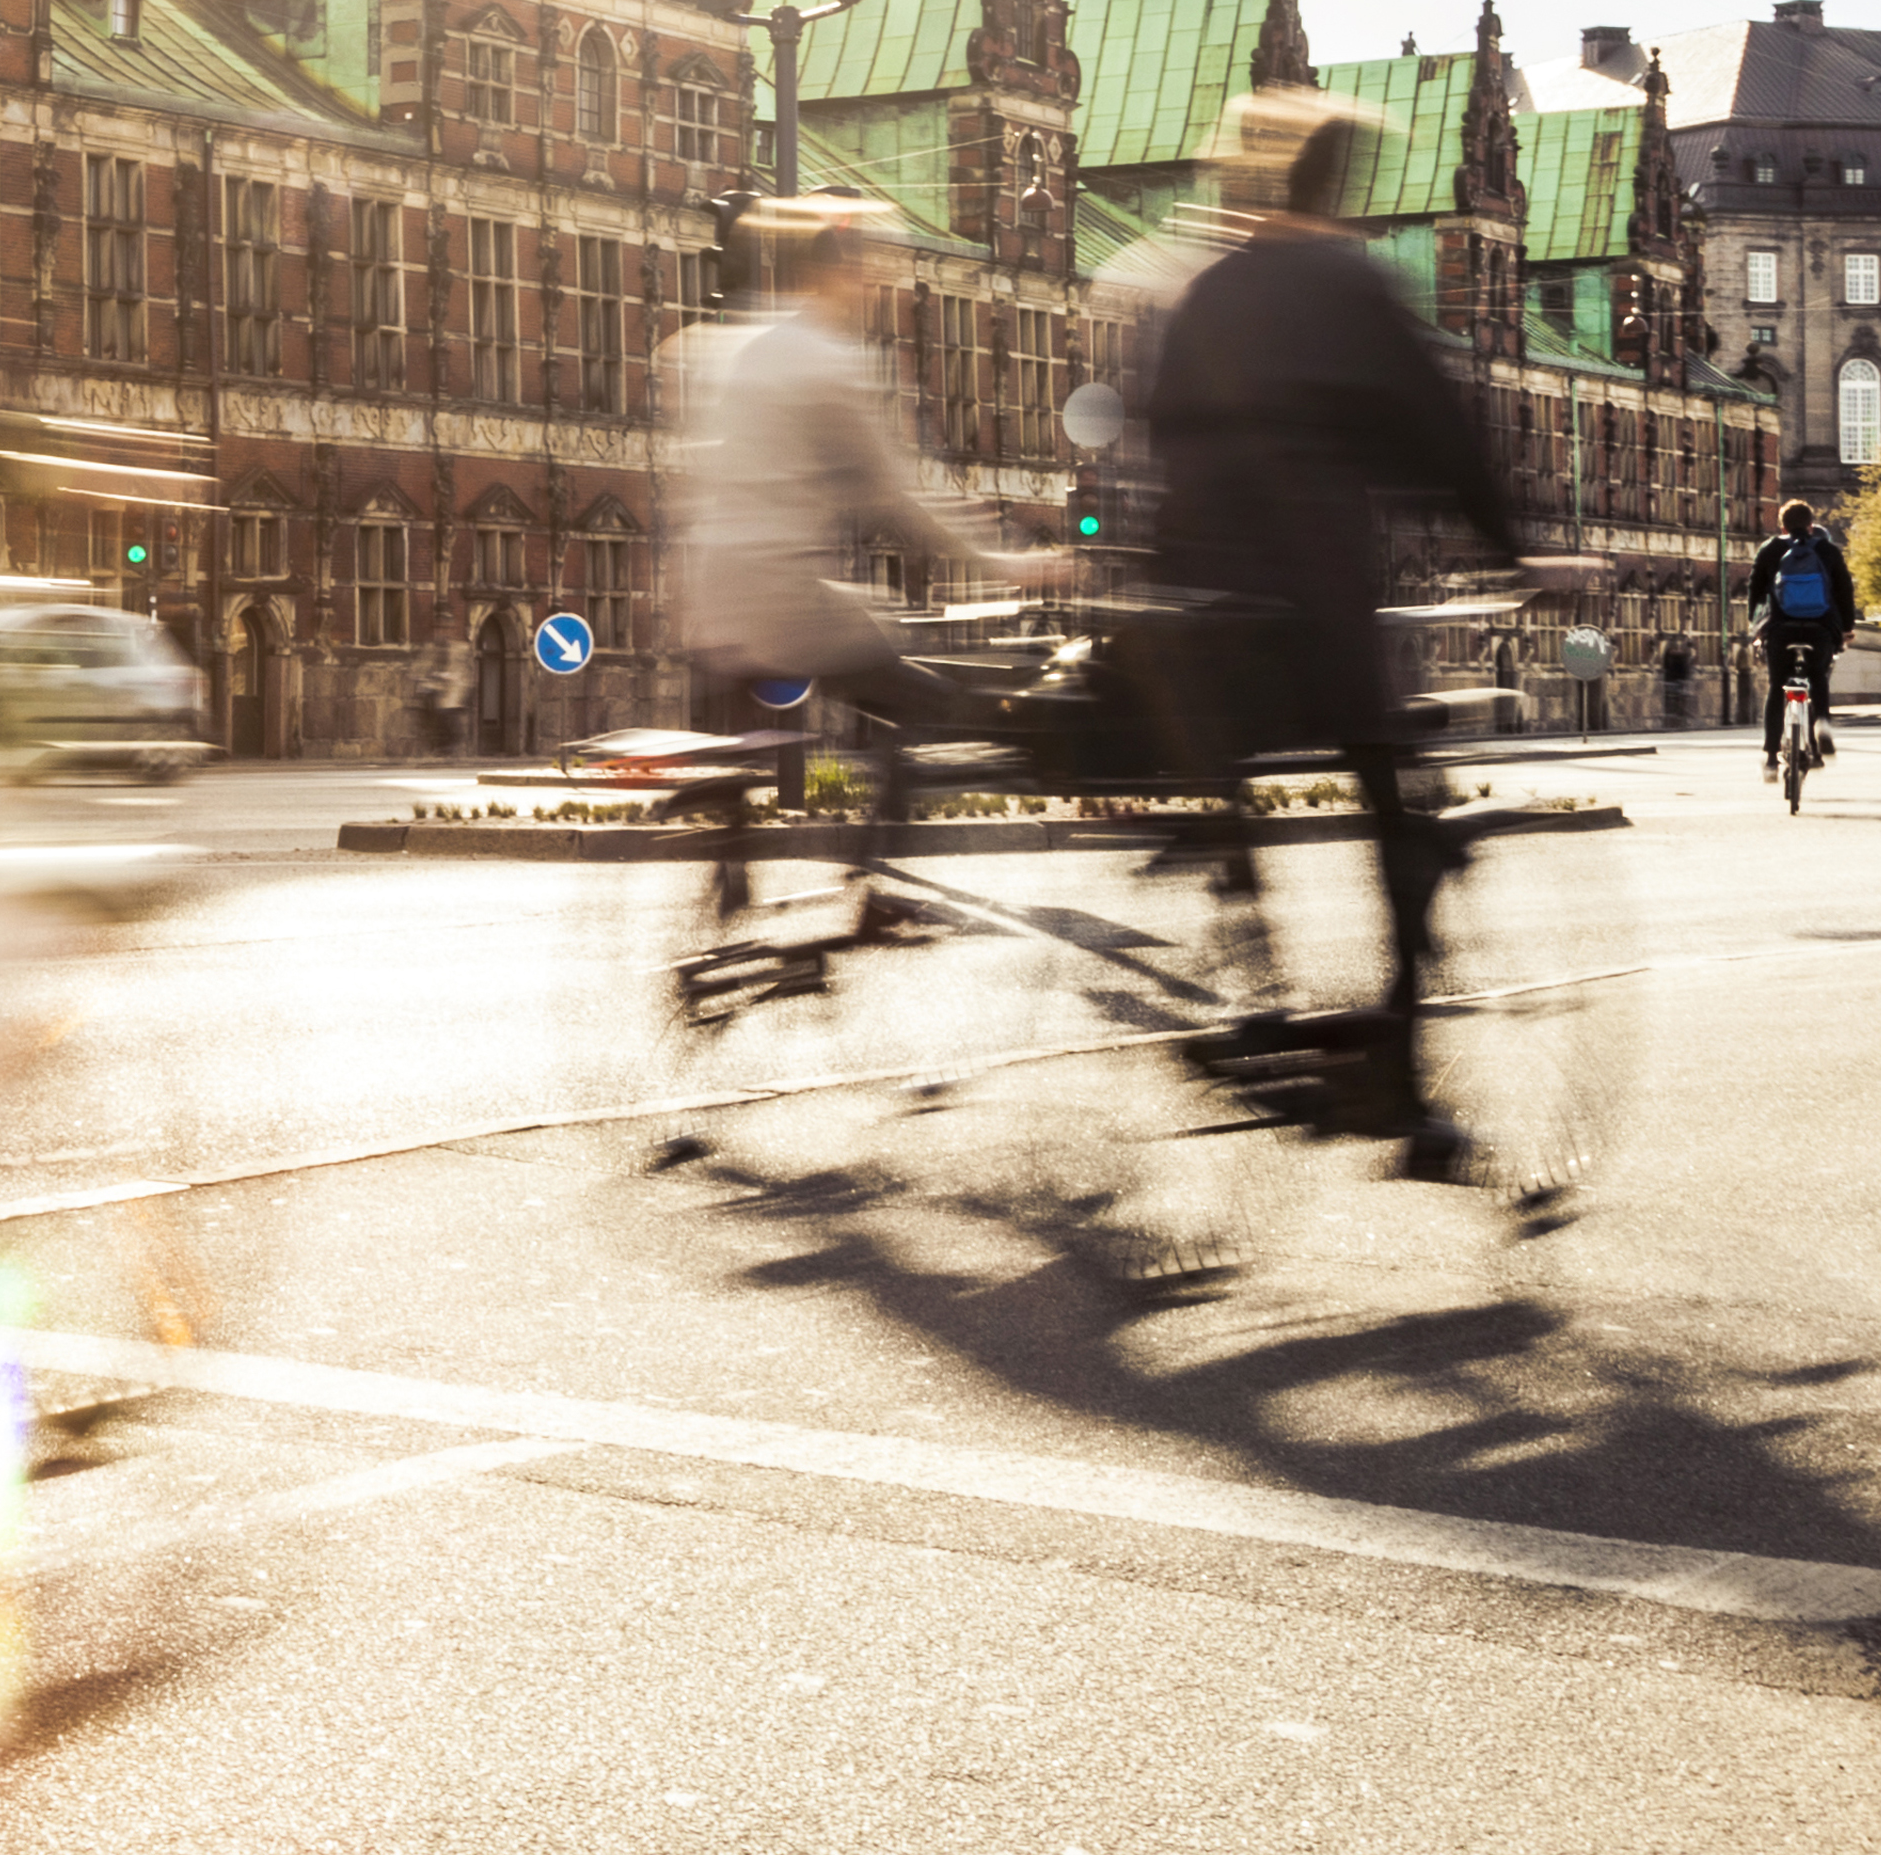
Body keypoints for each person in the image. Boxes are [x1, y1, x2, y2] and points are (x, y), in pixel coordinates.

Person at [1143, 89, 1564, 1172]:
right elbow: (1438, 431)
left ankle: (1256, 995)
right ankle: (1403, 1096)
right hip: (1312, 608)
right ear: (1346, 192)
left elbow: (1155, 434)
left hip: (1196, 610)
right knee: (1402, 823)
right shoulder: (1348, 282)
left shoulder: (1206, 286)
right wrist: (1509, 551)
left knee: (1229, 804)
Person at [662, 194, 1061, 900]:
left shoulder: (718, 349)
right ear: (835, 275)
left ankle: (731, 840)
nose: (870, 287)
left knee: (755, 727)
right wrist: (1007, 563)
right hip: (788, 596)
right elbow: (895, 502)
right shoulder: (829, 363)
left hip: (709, 594)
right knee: (919, 700)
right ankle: (873, 888)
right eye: (865, 273)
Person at [1745, 498, 1855, 777]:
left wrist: (1755, 624)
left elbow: (1755, 589)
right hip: (1820, 628)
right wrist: (1846, 629)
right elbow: (1844, 591)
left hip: (1781, 628)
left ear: (1782, 526)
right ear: (1810, 525)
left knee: (1776, 686)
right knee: (1817, 677)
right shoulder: (1828, 550)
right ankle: (1823, 727)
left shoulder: (1770, 549)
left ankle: (1771, 758)